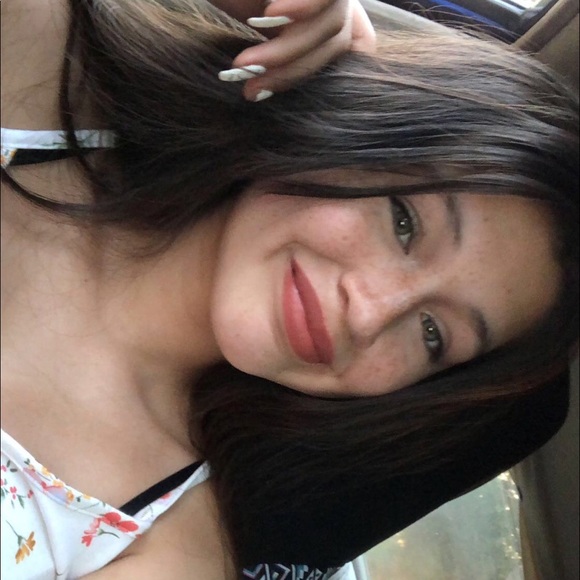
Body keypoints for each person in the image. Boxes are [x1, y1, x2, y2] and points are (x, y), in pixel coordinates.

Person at [1, 0, 578, 578]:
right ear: (360, 125)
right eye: (404, 223)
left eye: (433, 334)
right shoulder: (42, 77)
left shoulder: (164, 544)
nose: (371, 313)